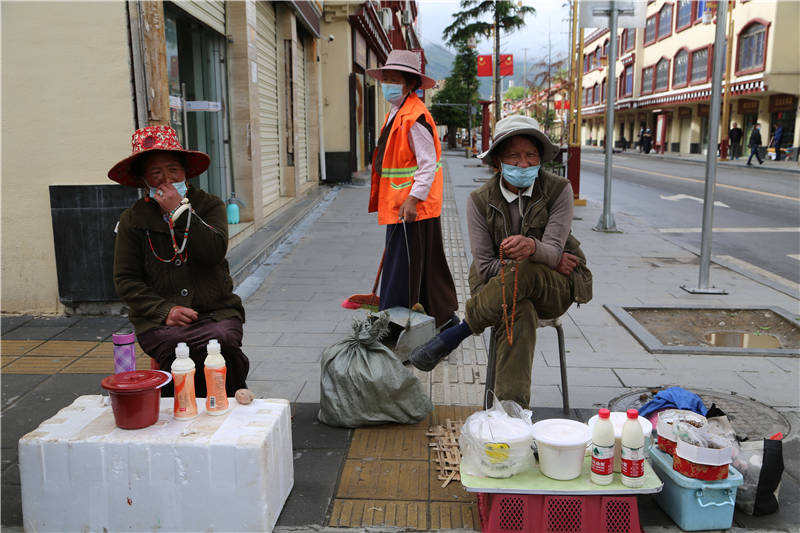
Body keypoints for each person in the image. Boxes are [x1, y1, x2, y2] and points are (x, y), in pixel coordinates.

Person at [404, 116, 593, 407]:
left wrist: (532, 248)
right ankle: (511, 414)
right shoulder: (479, 200)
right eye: (514, 156)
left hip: (554, 289)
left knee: (526, 269)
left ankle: (459, 331)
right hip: (497, 290)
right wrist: (544, 259)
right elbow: (484, 265)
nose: (523, 164)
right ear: (497, 162)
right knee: (519, 308)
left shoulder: (559, 190)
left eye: (531, 155)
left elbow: (554, 248)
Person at [109, 125, 248, 397]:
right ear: (144, 180)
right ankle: (179, 414)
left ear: (186, 172)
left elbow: (213, 252)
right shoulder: (133, 219)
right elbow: (126, 280)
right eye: (156, 173)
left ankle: (229, 407)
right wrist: (165, 311)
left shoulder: (209, 206)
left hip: (216, 311)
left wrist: (179, 211)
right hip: (160, 321)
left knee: (220, 343)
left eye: (173, 170)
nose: (167, 180)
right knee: (176, 349)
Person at [366, 50, 459, 334]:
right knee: (420, 267)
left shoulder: (415, 116)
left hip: (412, 208)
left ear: (408, 84)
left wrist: (412, 199)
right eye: (386, 79)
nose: (387, 84)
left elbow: (428, 164)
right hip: (402, 208)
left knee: (405, 270)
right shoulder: (399, 112)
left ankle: (394, 327)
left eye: (394, 79)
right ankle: (443, 321)